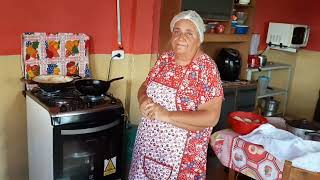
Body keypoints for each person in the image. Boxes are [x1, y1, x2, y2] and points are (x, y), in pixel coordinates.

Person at [128, 10, 224, 179]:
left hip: (182, 158)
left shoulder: (206, 69)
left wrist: (166, 115)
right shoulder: (165, 59)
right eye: (177, 31)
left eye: (189, 33)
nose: (181, 38)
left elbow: (211, 117)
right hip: (148, 148)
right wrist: (143, 99)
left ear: (199, 38)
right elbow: (145, 85)